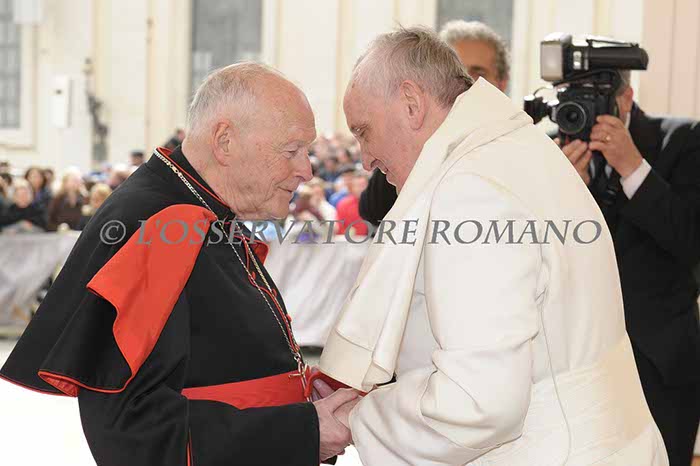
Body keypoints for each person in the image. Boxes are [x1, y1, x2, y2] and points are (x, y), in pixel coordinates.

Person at [318, 26, 668, 465]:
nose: (365, 158)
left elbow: (475, 403)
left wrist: (358, 420)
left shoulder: (470, 188)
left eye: (364, 131)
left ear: (410, 103)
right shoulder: (513, 148)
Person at [0, 62, 358, 465]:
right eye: (292, 151)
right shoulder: (163, 222)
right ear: (225, 141)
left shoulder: (199, 207)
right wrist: (304, 431)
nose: (306, 170)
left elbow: (218, 366)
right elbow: (133, 432)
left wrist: (303, 398)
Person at [558, 70, 700, 466]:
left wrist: (634, 168)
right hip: (578, 363)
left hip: (660, 364)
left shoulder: (683, 139)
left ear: (627, 97)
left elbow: (691, 242)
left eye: (599, 98)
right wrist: (564, 191)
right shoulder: (553, 149)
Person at [359, 20, 510, 225]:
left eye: (478, 73)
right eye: (457, 72)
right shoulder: (417, 138)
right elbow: (374, 209)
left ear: (502, 82)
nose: (466, 82)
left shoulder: (522, 144)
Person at [335, 171, 369, 236]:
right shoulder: (343, 205)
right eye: (358, 186)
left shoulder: (375, 204)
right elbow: (340, 228)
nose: (361, 189)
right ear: (351, 188)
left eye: (363, 185)